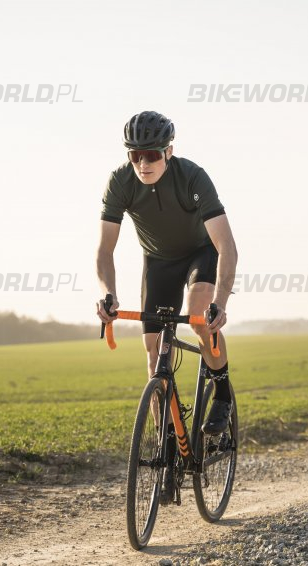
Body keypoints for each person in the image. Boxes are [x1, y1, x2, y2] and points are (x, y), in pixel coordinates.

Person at [95, 111, 238, 440]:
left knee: (200, 311)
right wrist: (108, 294)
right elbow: (104, 251)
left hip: (200, 253)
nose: (143, 163)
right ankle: (168, 437)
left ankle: (222, 393)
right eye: (135, 155)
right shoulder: (120, 183)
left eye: (152, 155)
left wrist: (220, 302)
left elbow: (227, 245)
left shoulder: (192, 178)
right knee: (153, 348)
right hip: (159, 261)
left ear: (168, 152)